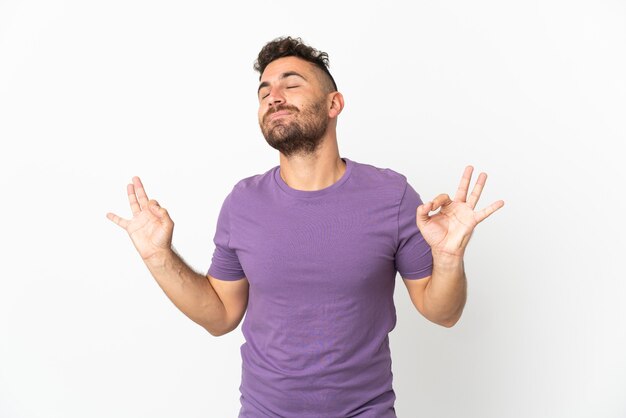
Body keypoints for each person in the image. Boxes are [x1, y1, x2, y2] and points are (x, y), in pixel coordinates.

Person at [107, 36, 504, 417]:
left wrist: (449, 258)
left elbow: (443, 313)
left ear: (335, 104)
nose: (274, 96)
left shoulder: (392, 194)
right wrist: (159, 257)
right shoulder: (242, 202)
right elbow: (220, 316)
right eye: (264, 93)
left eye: (291, 84)